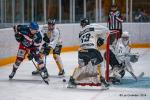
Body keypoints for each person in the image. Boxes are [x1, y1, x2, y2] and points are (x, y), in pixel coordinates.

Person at [67, 18, 110, 88]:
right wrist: (102, 39)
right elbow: (106, 30)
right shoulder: (93, 26)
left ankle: (71, 80)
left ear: (82, 24)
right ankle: (103, 81)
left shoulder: (80, 32)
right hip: (91, 50)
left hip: (81, 52)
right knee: (100, 63)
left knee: (81, 67)